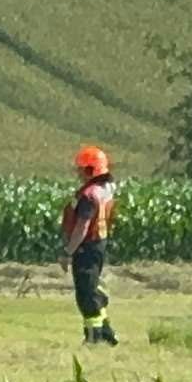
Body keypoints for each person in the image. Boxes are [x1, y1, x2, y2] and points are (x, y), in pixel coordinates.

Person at [58, 145, 118, 347]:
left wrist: (68, 251)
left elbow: (82, 227)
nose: (77, 173)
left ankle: (94, 336)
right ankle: (106, 331)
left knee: (85, 294)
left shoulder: (88, 196)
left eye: (81, 169)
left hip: (87, 247)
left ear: (90, 170)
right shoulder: (104, 190)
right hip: (99, 244)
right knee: (91, 289)